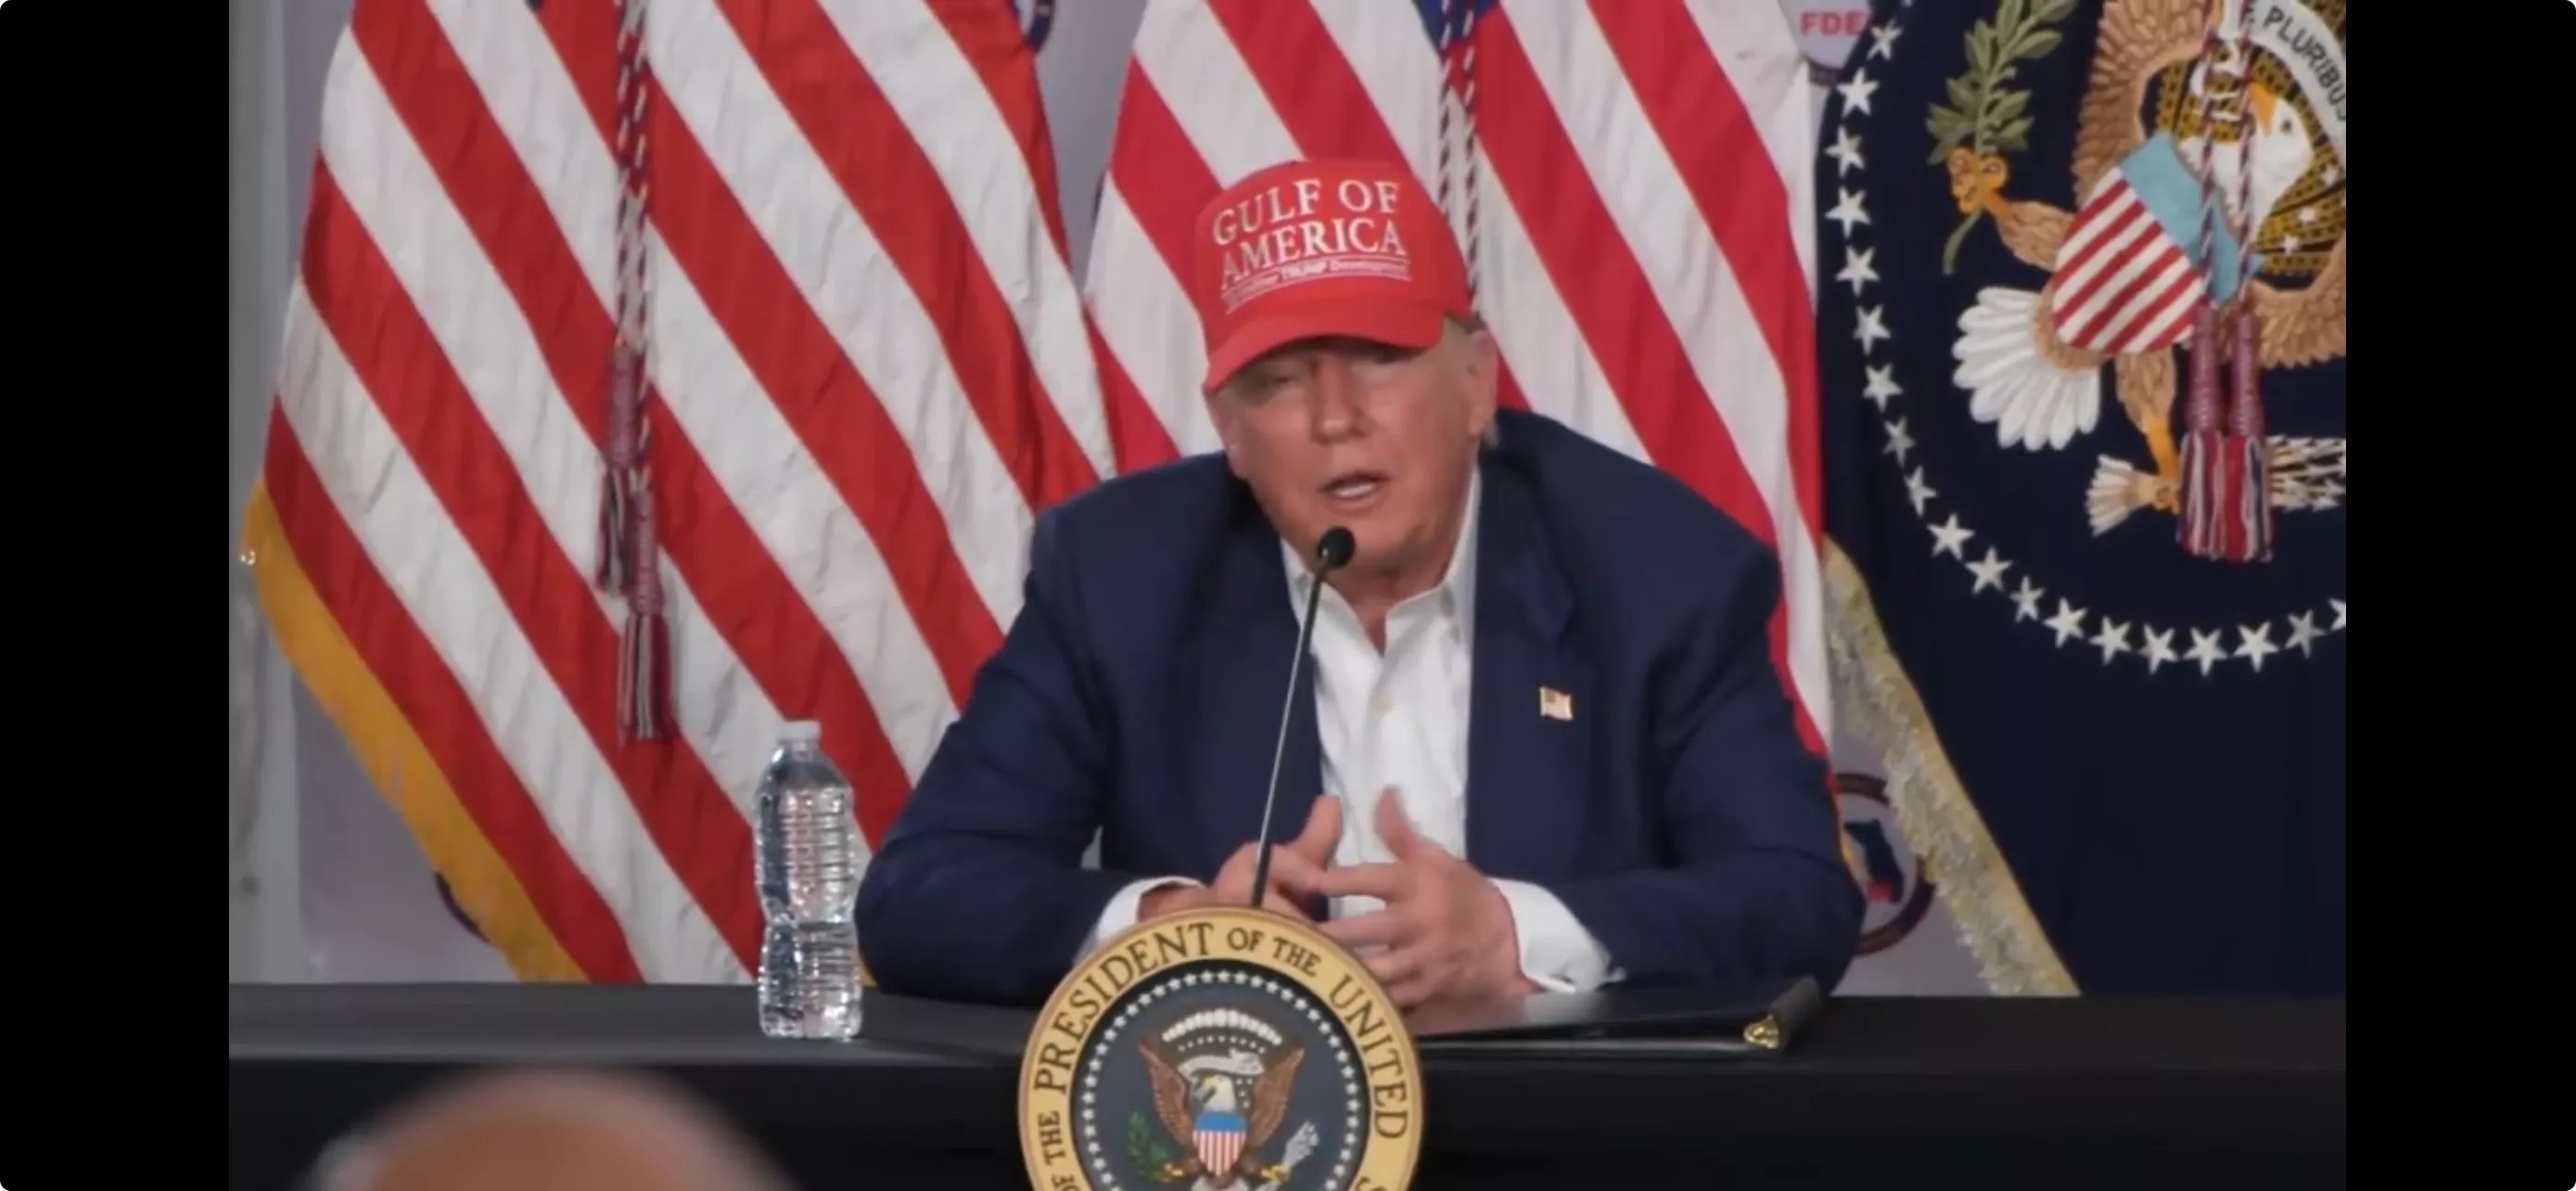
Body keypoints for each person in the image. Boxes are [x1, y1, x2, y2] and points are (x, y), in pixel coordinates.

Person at [855, 157, 1861, 1009]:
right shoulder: (1122, 576)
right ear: (1231, 434)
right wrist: (1172, 928)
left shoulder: (1657, 568)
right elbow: (920, 895)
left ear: (1474, 386)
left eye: (1378, 358)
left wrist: (1517, 937)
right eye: (1281, 381)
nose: (1336, 417)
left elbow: (1796, 899)